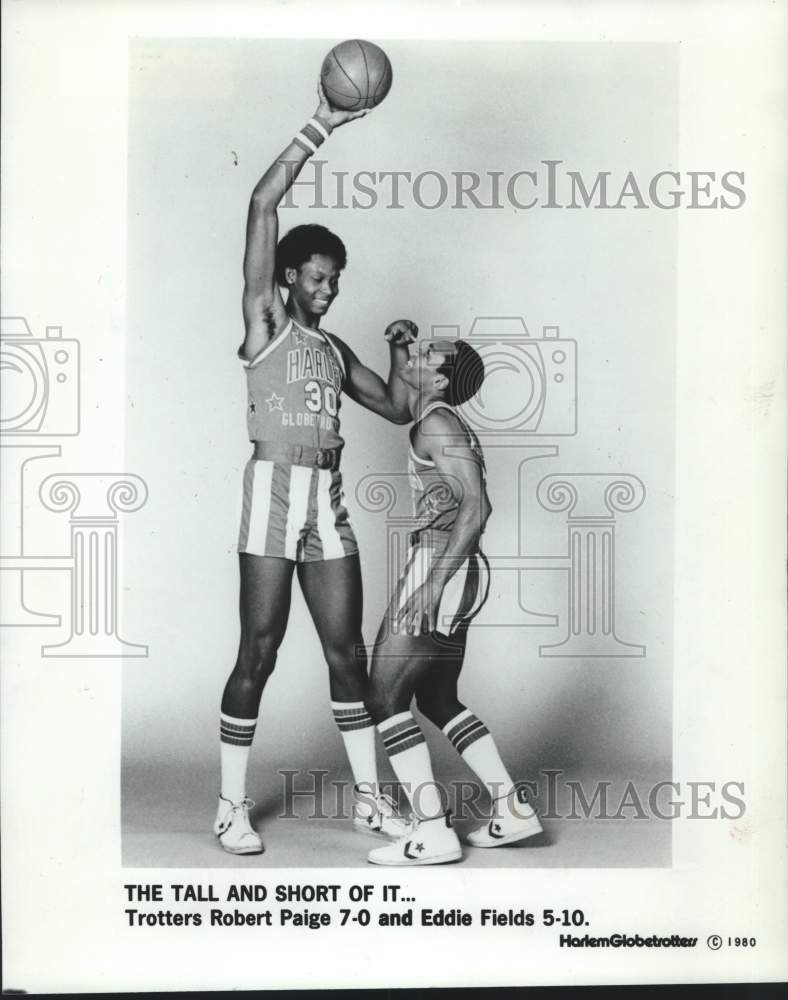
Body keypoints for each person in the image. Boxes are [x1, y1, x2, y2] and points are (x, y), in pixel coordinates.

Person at [214, 84, 415, 854]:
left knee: (347, 654)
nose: (330, 290)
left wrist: (400, 345)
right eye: (320, 277)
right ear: (291, 277)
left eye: (337, 281)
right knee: (258, 651)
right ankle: (230, 807)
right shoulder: (264, 321)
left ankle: (371, 801)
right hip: (271, 493)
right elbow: (263, 205)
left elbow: (398, 408)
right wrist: (322, 125)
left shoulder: (335, 352)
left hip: (325, 503)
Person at [364, 336, 543, 865]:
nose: (411, 361)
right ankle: (511, 809)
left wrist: (434, 581)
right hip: (463, 568)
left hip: (442, 564)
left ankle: (431, 830)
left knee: (383, 697)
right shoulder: (436, 418)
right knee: (438, 699)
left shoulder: (436, 424)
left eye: (422, 358)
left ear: (440, 381)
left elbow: (477, 506)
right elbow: (399, 393)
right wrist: (399, 347)